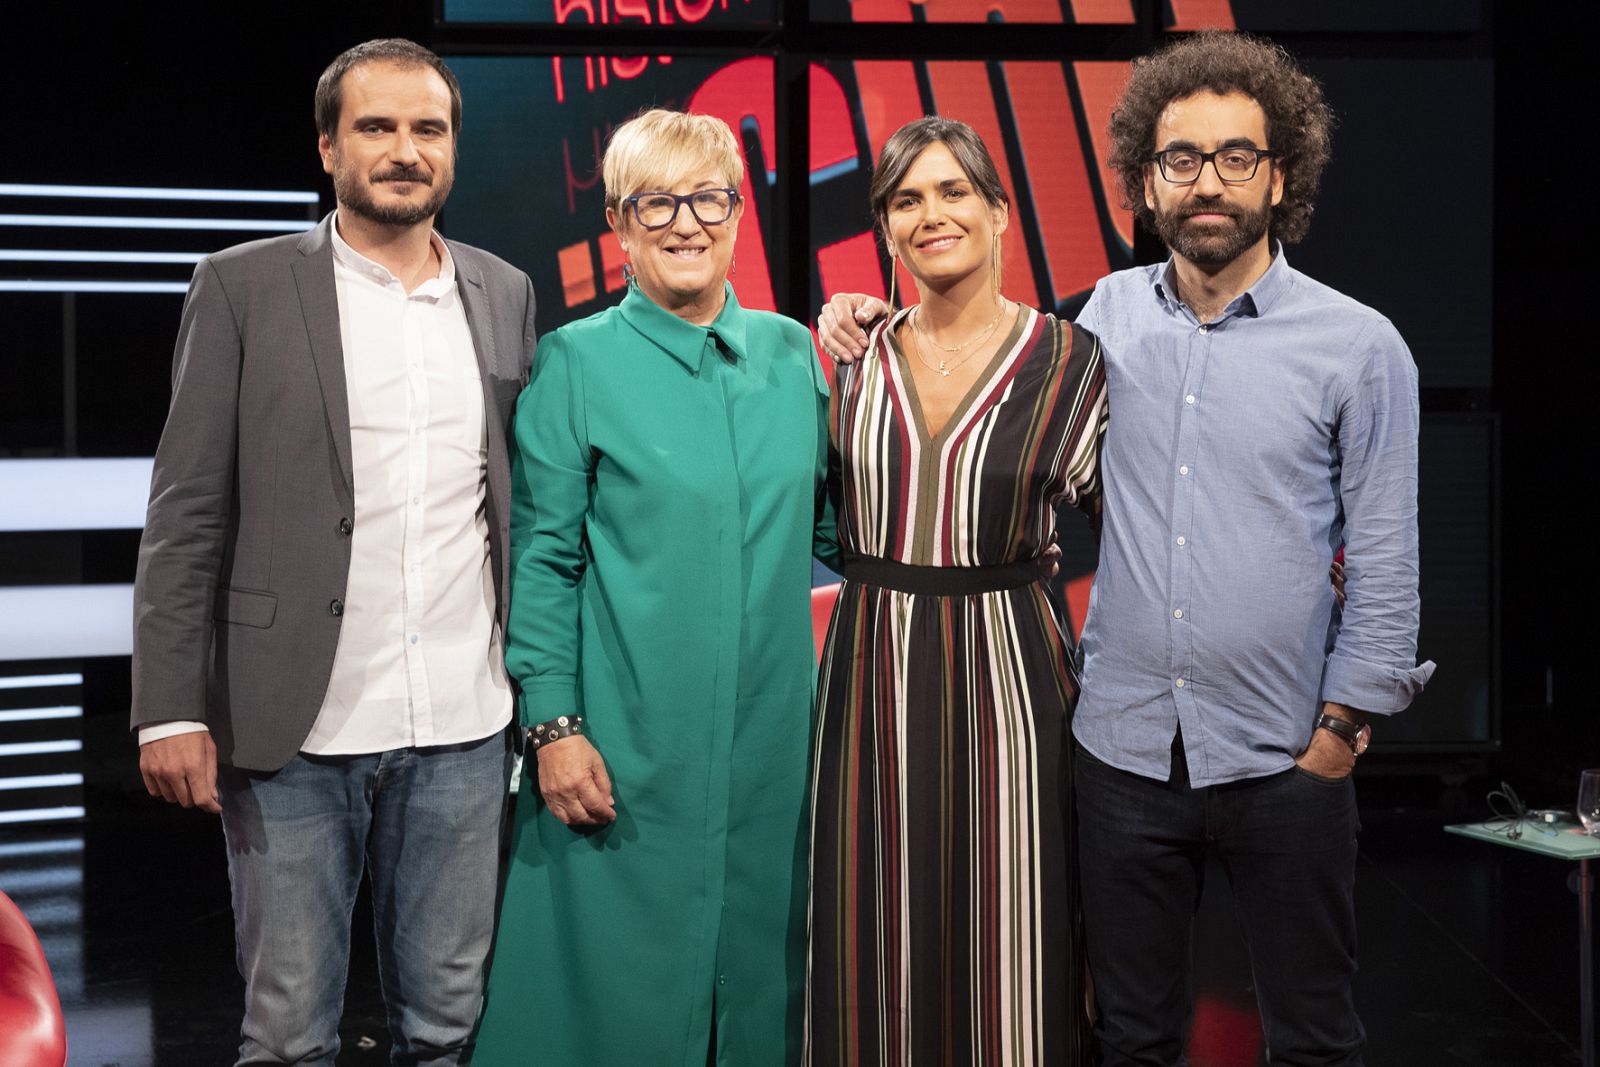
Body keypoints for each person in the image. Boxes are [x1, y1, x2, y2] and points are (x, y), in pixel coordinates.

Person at [130, 39, 535, 1064]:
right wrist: (170, 704)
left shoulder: (505, 292)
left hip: (462, 723)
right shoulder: (241, 286)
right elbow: (185, 512)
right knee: (287, 1035)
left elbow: (509, 504)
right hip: (290, 733)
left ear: (452, 149)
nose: (404, 150)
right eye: (377, 127)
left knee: (445, 1029)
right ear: (327, 147)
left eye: (427, 129)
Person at [1069, 32, 1431, 1065]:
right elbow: (972, 367)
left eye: (1237, 157)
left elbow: (1387, 555)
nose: (1208, 183)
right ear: (1147, 180)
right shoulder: (1102, 318)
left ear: (1280, 176)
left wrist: (1338, 733)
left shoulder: (1358, 345)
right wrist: (860, 319)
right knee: (1130, 1036)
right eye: (1181, 159)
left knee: (1313, 1038)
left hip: (1287, 760)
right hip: (1123, 756)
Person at [473, 108, 834, 1065]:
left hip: (773, 753)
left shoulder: (799, 358)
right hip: (622, 749)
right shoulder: (575, 362)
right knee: (610, 1009)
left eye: (708, 197)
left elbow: (848, 529)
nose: (686, 223)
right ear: (621, 229)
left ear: (738, 212)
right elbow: (543, 559)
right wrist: (552, 726)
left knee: (763, 1000)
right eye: (656, 203)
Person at [806, 116, 1107, 1065]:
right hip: (869, 671)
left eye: (952, 191)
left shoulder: (1073, 362)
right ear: (885, 227)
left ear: (1000, 212)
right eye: (905, 199)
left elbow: (1151, 535)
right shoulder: (849, 357)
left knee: (1013, 937)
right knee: (869, 929)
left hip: (1016, 680)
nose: (930, 214)